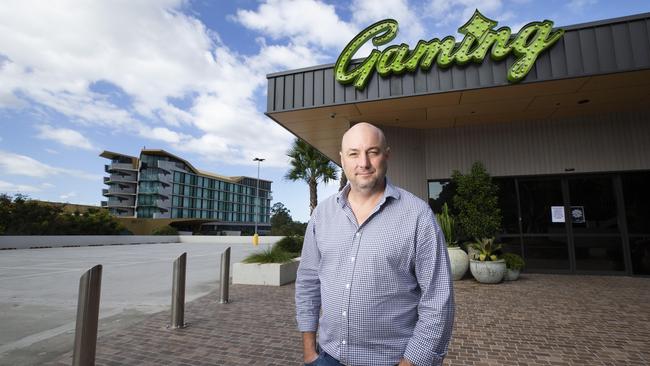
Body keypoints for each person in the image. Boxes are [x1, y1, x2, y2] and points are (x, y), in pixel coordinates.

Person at [295, 122, 455, 366]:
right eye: (354, 153)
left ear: (386, 154)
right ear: (342, 159)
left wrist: (412, 362)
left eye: (372, 152)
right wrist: (309, 352)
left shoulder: (418, 216)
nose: (363, 163)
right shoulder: (322, 214)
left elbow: (438, 299)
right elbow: (308, 281)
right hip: (326, 358)